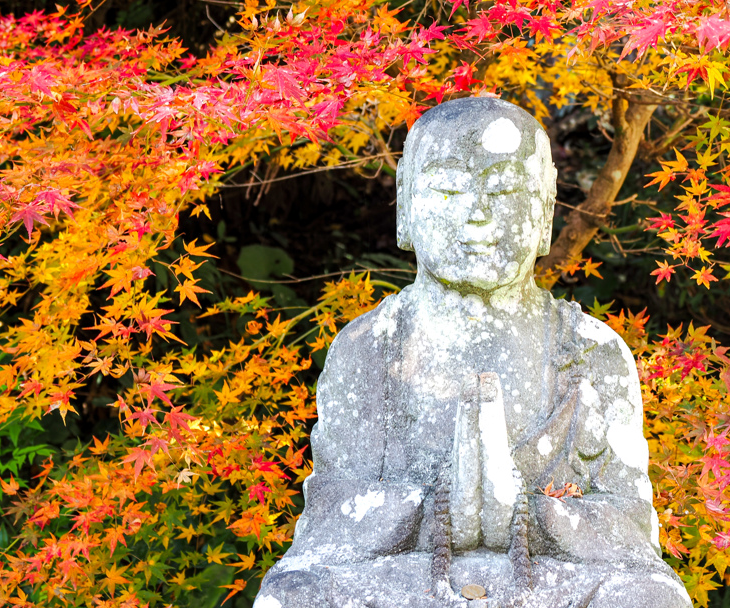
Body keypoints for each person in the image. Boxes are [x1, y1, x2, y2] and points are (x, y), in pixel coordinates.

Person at [254, 97, 692, 608]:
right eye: (448, 189)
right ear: (406, 205)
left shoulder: (592, 353)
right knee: (296, 595)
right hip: (402, 584)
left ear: (545, 209)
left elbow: (630, 529)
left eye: (504, 191)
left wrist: (525, 512)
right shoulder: (368, 348)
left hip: (551, 586)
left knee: (648, 597)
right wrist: (437, 508)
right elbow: (332, 518)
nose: (477, 215)